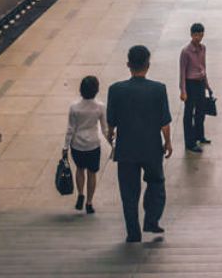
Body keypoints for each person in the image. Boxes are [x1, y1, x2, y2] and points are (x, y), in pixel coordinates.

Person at [107, 45, 173, 243]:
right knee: (156, 183)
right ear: (148, 65)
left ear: (128, 65)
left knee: (128, 192)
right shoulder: (158, 89)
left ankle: (133, 233)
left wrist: (111, 136)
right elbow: (164, 122)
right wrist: (168, 142)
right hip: (151, 148)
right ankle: (151, 220)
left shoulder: (115, 90)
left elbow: (112, 121)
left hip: (126, 149)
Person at [64, 75, 110, 214]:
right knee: (92, 173)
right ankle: (89, 202)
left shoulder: (74, 107)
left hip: (77, 144)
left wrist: (65, 146)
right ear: (96, 90)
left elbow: (70, 128)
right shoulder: (100, 107)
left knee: (79, 169)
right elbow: (105, 128)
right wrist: (112, 142)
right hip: (93, 144)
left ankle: (80, 194)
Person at [179, 23, 211, 153]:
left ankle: (200, 135)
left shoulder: (203, 48)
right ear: (191, 35)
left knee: (201, 111)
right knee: (188, 114)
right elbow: (182, 71)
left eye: (200, 34)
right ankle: (190, 142)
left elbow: (203, 67)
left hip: (200, 83)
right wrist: (183, 90)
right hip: (190, 84)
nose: (198, 37)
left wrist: (207, 85)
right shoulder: (186, 52)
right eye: (195, 35)